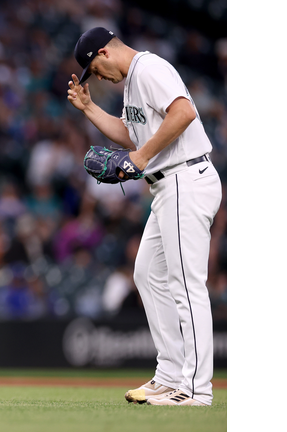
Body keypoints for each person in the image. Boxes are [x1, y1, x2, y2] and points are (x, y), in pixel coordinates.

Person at [66, 28, 222, 406]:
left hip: (186, 177)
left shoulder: (148, 68)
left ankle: (196, 389)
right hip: (167, 185)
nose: (97, 78)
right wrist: (89, 109)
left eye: (95, 70)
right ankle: (169, 376)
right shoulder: (132, 84)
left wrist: (141, 158)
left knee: (186, 284)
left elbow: (184, 112)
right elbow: (132, 136)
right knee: (147, 274)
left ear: (103, 52)